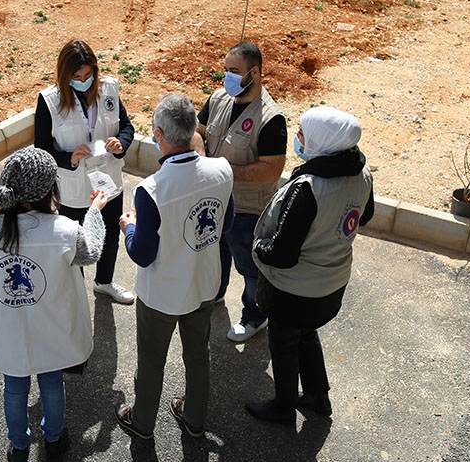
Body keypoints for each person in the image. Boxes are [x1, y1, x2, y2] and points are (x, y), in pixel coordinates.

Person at [0, 148, 107, 462]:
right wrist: (95, 209)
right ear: (49, 189)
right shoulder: (64, 230)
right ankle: (53, 439)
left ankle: (19, 446)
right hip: (50, 329)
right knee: (52, 381)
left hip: (6, 329)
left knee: (14, 386)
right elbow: (91, 251)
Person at [244, 107, 374, 424]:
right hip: (333, 284)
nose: (298, 139)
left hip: (295, 292)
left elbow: (283, 254)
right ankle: (318, 397)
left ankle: (283, 407)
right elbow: (364, 216)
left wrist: (259, 247)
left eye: (302, 133)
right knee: (306, 334)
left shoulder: (308, 188)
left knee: (285, 344)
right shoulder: (362, 173)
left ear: (322, 141)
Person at [115, 95, 234, 439]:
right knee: (198, 356)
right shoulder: (221, 170)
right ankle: (194, 418)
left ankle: (142, 422)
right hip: (203, 285)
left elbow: (142, 254)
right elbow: (225, 227)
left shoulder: (151, 190)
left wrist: (129, 228)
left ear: (159, 135)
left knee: (152, 362)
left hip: (162, 294)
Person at [191, 42, 287, 342]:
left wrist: (221, 169)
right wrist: (202, 157)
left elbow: (271, 169)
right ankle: (214, 295)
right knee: (213, 254)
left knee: (249, 268)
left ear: (254, 72)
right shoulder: (219, 98)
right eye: (226, 70)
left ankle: (254, 316)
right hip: (214, 201)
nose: (227, 78)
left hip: (246, 209)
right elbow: (197, 131)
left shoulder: (270, 118)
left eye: (234, 72)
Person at [34, 39, 136, 305]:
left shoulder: (109, 89)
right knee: (75, 241)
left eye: (88, 75)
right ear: (64, 75)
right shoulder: (50, 100)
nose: (83, 80)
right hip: (73, 189)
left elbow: (126, 127)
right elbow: (42, 148)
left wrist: (120, 143)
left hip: (108, 181)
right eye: (76, 77)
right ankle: (75, 290)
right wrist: (68, 157)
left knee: (111, 235)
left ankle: (104, 282)